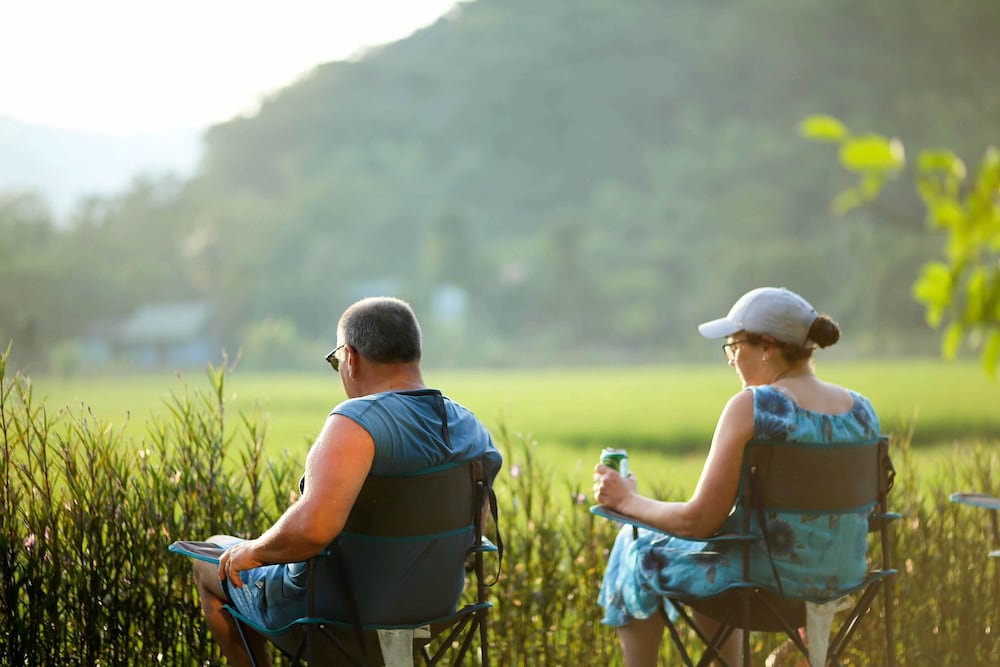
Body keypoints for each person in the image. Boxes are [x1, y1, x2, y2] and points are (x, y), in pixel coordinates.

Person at [190, 296, 502, 667]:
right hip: (433, 611)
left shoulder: (357, 422)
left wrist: (253, 551)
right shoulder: (471, 429)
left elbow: (313, 529)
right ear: (413, 351)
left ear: (350, 357)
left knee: (209, 560)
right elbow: (475, 527)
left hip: (336, 616)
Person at [592, 286, 881, 666]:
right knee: (723, 551)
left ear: (766, 345)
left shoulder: (753, 407)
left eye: (733, 347)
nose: (730, 360)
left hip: (761, 585)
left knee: (633, 547)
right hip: (838, 582)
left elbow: (699, 522)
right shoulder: (862, 411)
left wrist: (627, 501)